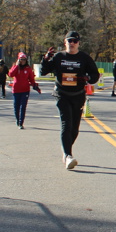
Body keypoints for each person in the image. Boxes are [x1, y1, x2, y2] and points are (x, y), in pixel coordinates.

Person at [40, 31, 100, 170]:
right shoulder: (59, 57)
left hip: (78, 95)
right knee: (66, 125)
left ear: (78, 43)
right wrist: (46, 59)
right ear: (65, 42)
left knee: (74, 129)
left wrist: (87, 78)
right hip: (62, 95)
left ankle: (66, 151)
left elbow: (95, 75)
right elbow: (43, 71)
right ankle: (68, 155)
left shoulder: (84, 57)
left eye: (75, 41)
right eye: (69, 41)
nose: (72, 43)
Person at [8, 52, 41, 129]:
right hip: (16, 90)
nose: (23, 61)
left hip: (25, 90)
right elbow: (11, 74)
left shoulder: (28, 69)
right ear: (18, 60)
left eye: (24, 60)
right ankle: (17, 120)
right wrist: (17, 66)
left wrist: (35, 86)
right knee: (16, 106)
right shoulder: (15, 67)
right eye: (21, 59)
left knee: (23, 107)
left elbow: (31, 79)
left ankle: (21, 123)